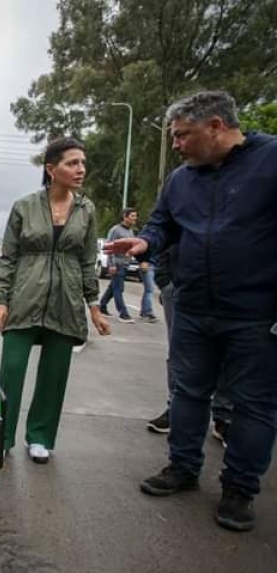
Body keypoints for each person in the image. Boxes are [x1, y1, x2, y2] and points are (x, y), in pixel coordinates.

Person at [105, 91, 277, 532]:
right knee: (187, 391)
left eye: (183, 135)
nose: (177, 145)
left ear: (216, 126)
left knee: (254, 406)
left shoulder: (270, 161)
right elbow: (162, 224)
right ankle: (182, 468)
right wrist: (147, 244)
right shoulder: (181, 179)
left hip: (256, 314)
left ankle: (239, 489)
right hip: (194, 307)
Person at [0, 137, 111, 463]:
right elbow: (8, 257)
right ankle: (1, 438)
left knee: (55, 372)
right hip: (24, 298)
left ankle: (40, 437)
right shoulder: (24, 206)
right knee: (12, 369)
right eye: (73, 163)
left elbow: (88, 262)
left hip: (66, 301)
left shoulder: (86, 209)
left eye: (83, 163)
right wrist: (1, 299)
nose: (81, 169)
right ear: (51, 169)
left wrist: (95, 308)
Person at [147, 246, 232, 441]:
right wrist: (165, 282)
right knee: (179, 354)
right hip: (180, 286)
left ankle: (223, 416)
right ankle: (175, 410)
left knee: (227, 353)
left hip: (228, 287)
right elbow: (164, 234)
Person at [98, 208, 137, 323]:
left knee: (113, 288)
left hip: (124, 265)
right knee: (118, 289)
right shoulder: (116, 230)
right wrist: (111, 264)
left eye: (135, 216)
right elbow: (109, 247)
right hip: (116, 264)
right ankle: (123, 314)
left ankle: (102, 306)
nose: (135, 219)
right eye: (132, 216)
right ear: (125, 217)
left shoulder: (130, 232)